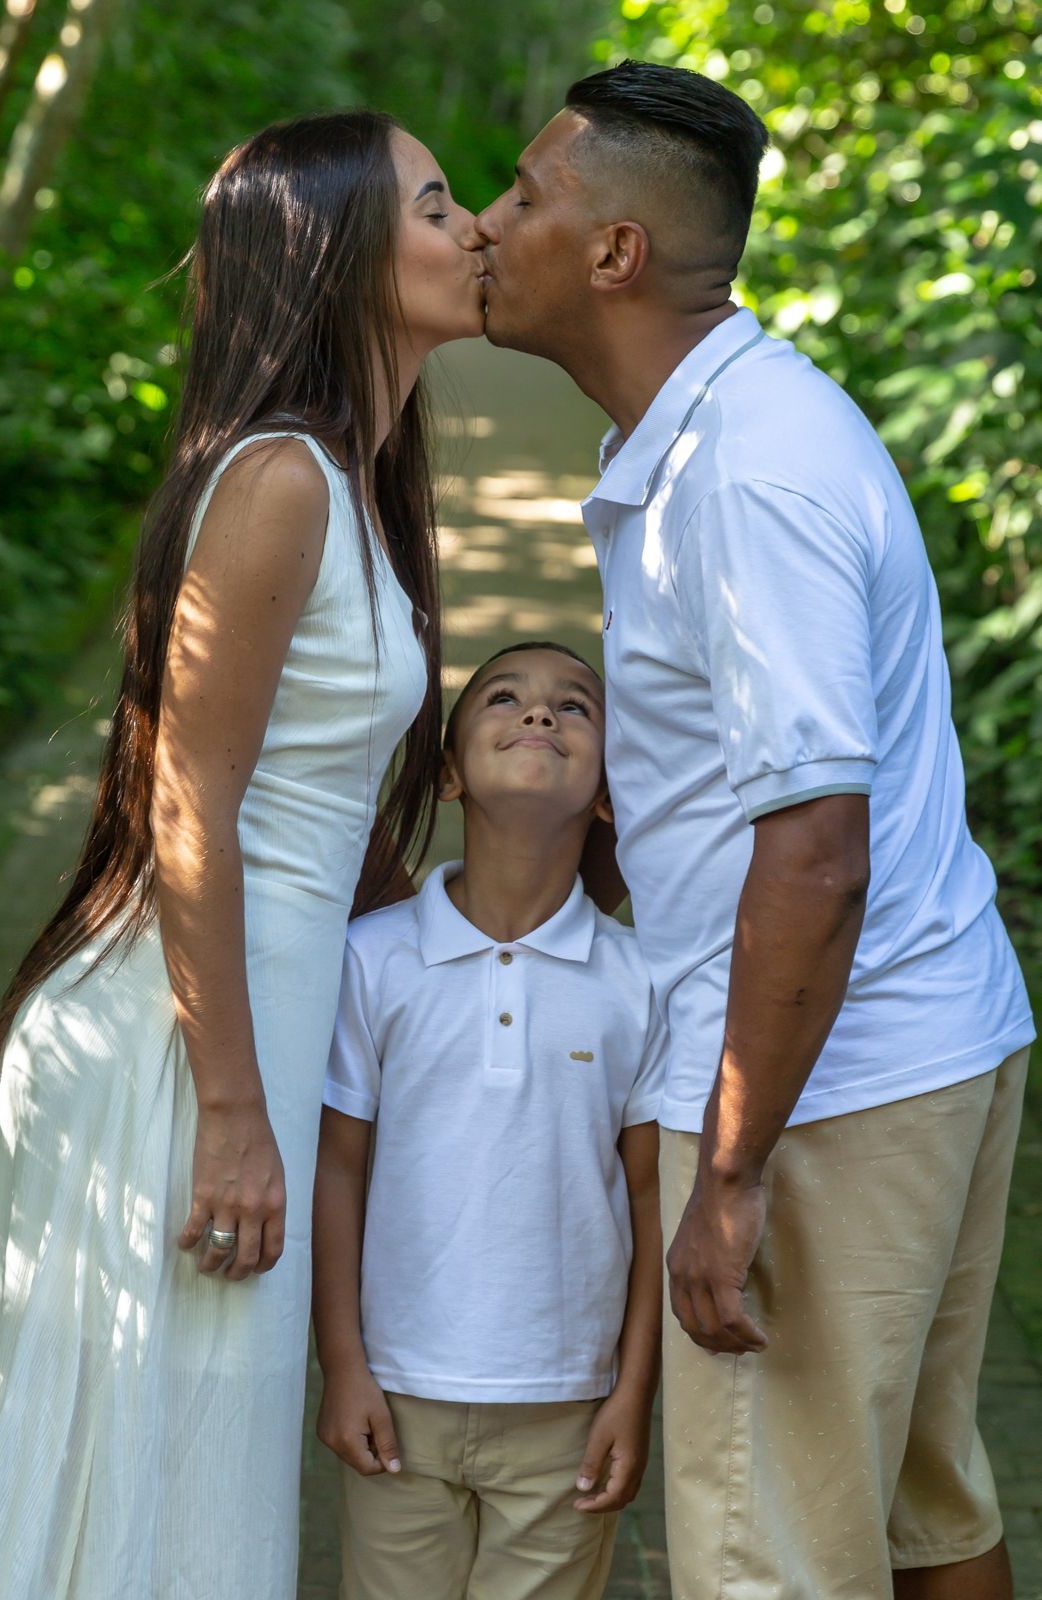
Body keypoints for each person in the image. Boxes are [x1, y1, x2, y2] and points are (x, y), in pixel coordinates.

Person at [471, 60, 1036, 1600]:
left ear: (613, 254)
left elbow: (813, 849)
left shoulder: (742, 474)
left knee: (765, 1557)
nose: (487, 222)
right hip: (917, 1044)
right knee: (925, 1512)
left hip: (832, 1091)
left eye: (524, 195)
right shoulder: (710, 431)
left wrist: (726, 1174)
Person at [0, 111, 485, 1598]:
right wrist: (235, 1113)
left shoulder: (355, 484)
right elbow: (190, 801)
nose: (468, 231)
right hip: (174, 1058)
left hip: (230, 1036)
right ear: (335, 254)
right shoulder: (281, 482)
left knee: (185, 1502)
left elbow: (307, 811)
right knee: (142, 1504)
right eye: (437, 205)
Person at [312, 641, 665, 1600]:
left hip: (568, 1406)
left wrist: (635, 1395)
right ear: (449, 774)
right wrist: (340, 1363)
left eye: (576, 707)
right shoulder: (370, 961)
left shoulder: (639, 980)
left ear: (608, 793)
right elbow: (337, 1168)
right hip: (398, 1395)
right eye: (504, 699)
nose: (541, 716)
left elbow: (650, 1197)